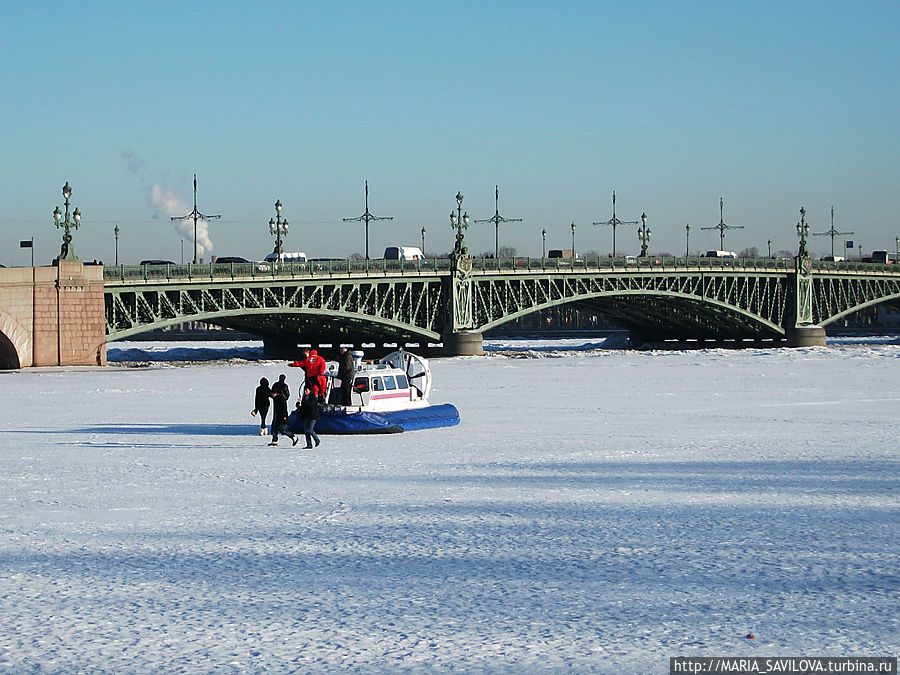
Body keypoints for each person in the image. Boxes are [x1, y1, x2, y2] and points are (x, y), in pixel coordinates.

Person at [269, 378, 298, 447]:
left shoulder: (280, 399)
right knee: (274, 427)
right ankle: (274, 440)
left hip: (281, 415)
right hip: (277, 414)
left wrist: (284, 416)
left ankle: (293, 437)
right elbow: (287, 395)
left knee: (282, 430)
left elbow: (284, 408)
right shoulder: (279, 396)